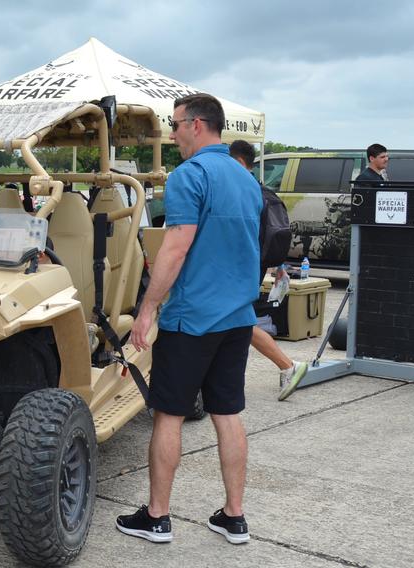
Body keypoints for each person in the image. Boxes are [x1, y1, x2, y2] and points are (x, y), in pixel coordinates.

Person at [116, 94, 262, 545]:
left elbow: (176, 248)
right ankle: (234, 516)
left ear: (197, 125)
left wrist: (147, 309)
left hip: (192, 319)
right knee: (227, 413)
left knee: (169, 415)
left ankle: (157, 517)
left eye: (175, 125)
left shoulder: (189, 176)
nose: (171, 133)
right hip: (237, 317)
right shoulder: (246, 179)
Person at [228, 140, 307, 401]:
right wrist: (280, 265)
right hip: (258, 265)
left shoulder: (242, 192)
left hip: (243, 266)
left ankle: (287, 365)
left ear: (239, 162)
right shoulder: (263, 191)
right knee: (237, 323)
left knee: (241, 321)